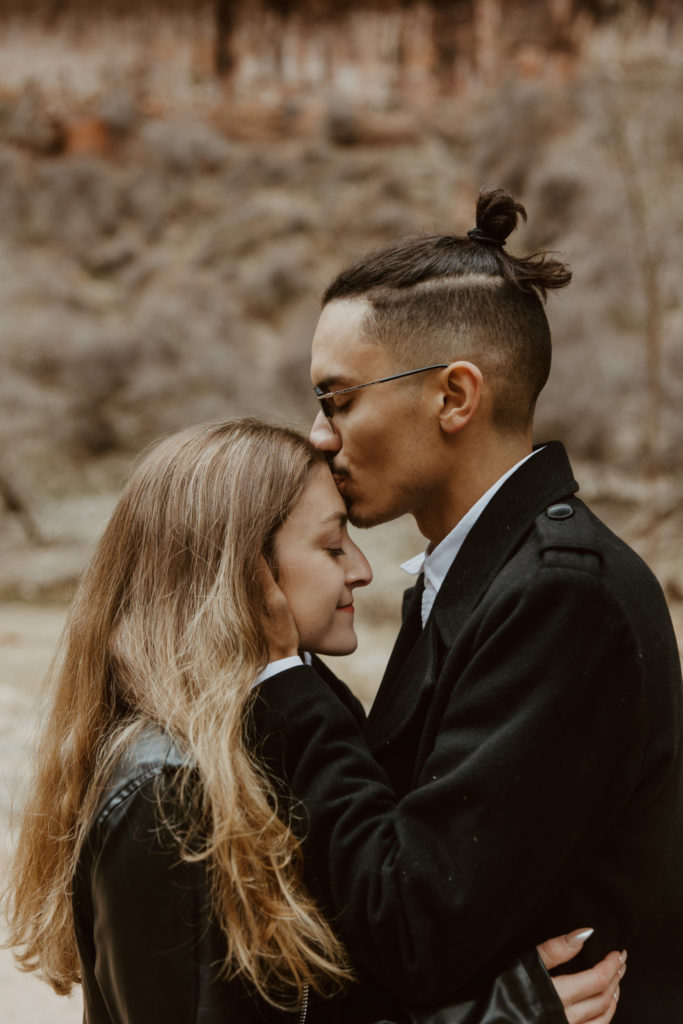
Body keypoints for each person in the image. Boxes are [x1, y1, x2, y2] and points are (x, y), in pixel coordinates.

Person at [3, 419, 620, 1024]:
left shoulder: (257, 740)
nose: (362, 569)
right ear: (244, 574)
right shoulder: (168, 791)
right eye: (331, 546)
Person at [256, 188, 683, 1023]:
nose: (319, 436)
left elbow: (412, 927)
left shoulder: (561, 595)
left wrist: (282, 679)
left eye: (338, 399)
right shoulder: (480, 575)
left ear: (454, 396)